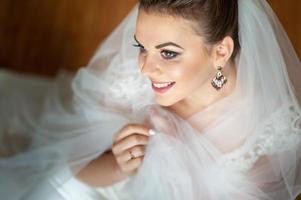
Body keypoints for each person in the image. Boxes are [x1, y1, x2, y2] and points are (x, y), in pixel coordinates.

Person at [0, 0, 301, 199]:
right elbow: (73, 165)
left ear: (220, 52)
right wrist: (119, 166)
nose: (145, 67)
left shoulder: (266, 130)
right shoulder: (128, 79)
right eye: (141, 46)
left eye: (168, 53)